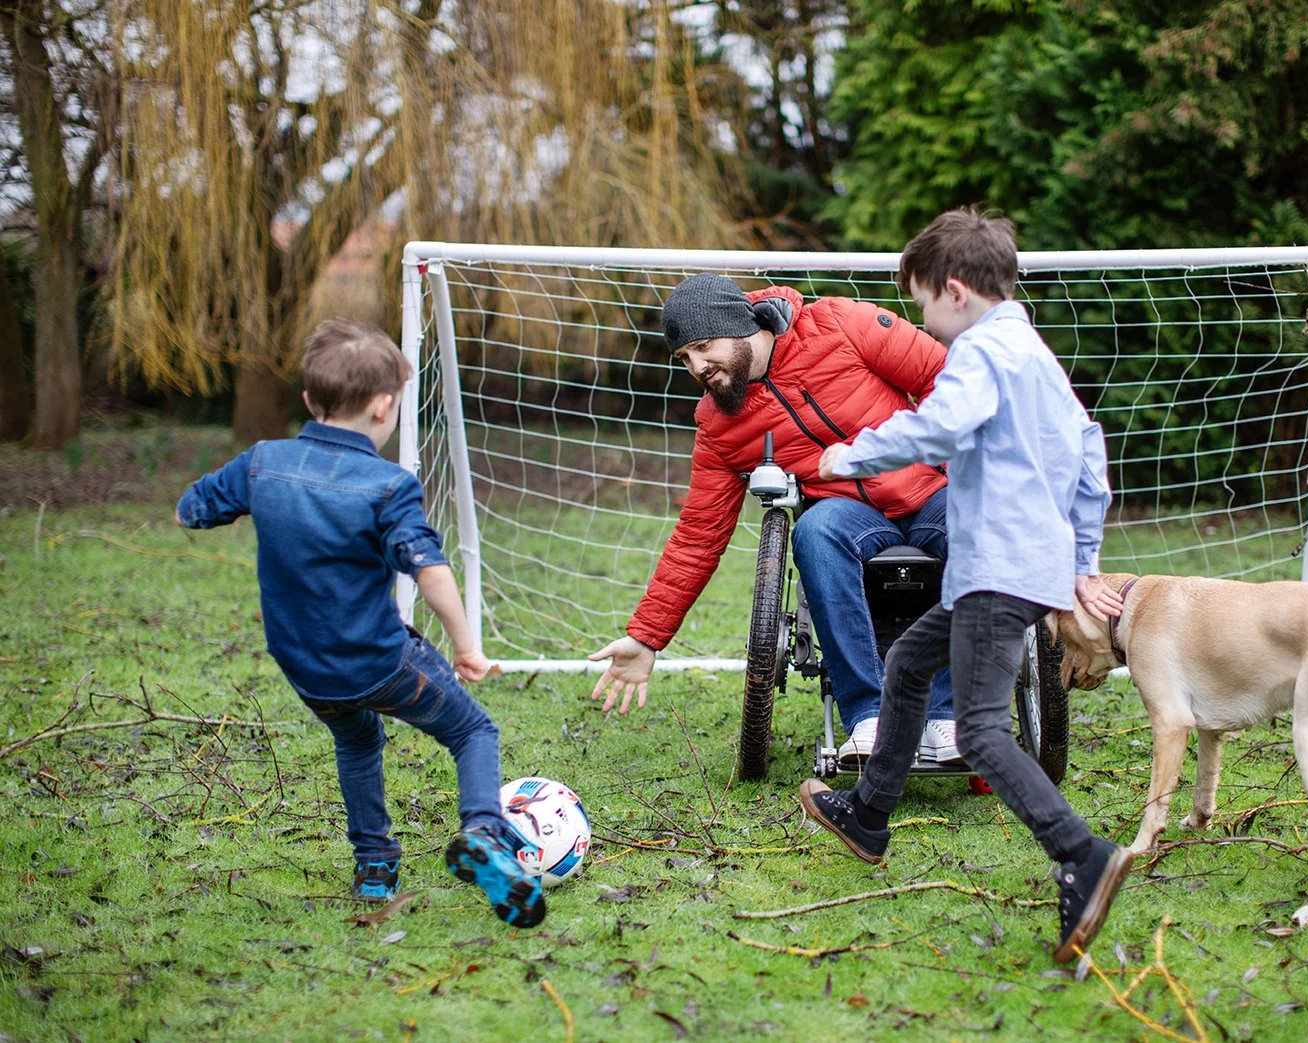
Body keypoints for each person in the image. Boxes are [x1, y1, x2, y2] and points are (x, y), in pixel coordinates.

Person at [799, 208, 1131, 964]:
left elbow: (940, 427)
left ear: (953, 291)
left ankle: (1081, 852)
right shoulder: (1032, 350)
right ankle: (870, 814)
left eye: (921, 305)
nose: (927, 323)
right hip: (1024, 560)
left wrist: (844, 459)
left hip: (996, 565)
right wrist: (1078, 557)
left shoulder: (981, 351)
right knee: (911, 664)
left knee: (981, 730)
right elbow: (1089, 451)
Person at [174, 317, 545, 928]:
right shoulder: (388, 485)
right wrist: (465, 646)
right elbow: (430, 571)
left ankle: (375, 866)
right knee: (473, 733)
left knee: (356, 740)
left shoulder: (263, 463)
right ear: (384, 406)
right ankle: (486, 834)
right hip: (380, 662)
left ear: (308, 401)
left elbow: (191, 510)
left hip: (305, 668)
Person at [587, 274, 962, 766]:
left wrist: (954, 463)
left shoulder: (841, 324)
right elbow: (698, 536)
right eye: (684, 358)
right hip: (849, 518)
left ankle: (948, 718)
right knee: (815, 529)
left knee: (975, 517)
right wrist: (646, 637)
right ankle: (870, 718)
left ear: (741, 325)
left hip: (932, 488)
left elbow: (951, 378)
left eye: (704, 346)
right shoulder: (720, 425)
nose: (697, 366)